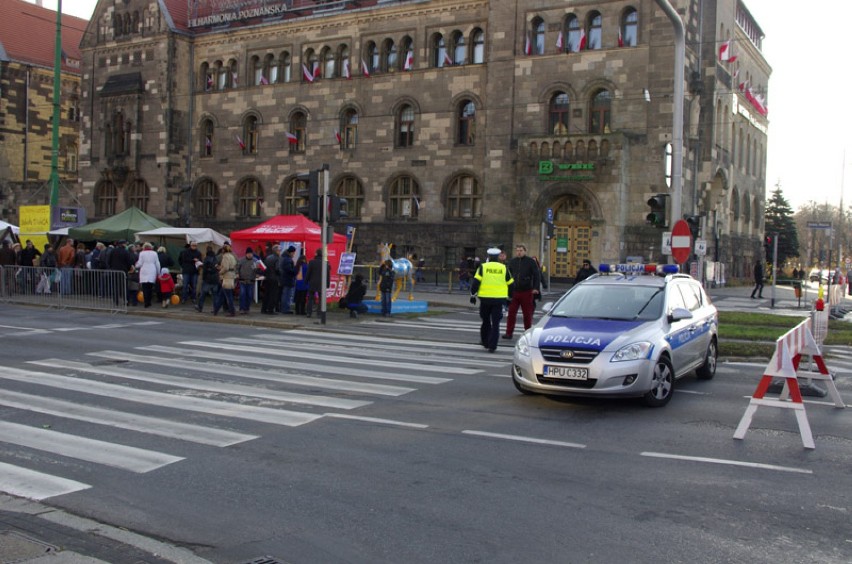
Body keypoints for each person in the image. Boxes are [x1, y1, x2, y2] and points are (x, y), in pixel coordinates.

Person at [471, 247, 514, 352]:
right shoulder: (504, 268)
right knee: (496, 323)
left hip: (485, 299)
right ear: (498, 257)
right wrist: (510, 297)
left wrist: (473, 295)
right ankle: (492, 345)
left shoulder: (483, 267)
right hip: (499, 299)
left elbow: (476, 282)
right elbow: (511, 284)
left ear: (489, 257)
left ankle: (485, 341)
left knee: (485, 321)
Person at [503, 243, 541, 340]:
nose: (519, 252)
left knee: (527, 314)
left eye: (521, 250)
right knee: (511, 313)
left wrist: (536, 288)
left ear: (525, 251)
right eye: (517, 250)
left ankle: (528, 333)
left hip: (526, 291)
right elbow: (507, 276)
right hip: (514, 291)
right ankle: (509, 333)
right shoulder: (512, 261)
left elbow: (537, 275)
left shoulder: (530, 262)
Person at [213, 241, 237, 317]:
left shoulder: (225, 257)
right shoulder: (232, 256)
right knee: (222, 295)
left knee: (228, 296)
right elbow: (232, 266)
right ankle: (216, 310)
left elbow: (226, 268)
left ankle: (232, 311)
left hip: (226, 278)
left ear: (223, 250)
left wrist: (220, 271)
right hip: (231, 277)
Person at [135, 242, 160, 308]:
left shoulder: (142, 253)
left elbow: (140, 263)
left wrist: (136, 265)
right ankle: (149, 302)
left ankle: (146, 302)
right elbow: (157, 263)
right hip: (152, 270)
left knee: (145, 288)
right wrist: (158, 272)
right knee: (150, 287)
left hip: (144, 270)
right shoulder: (154, 253)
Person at [305, 248, 329, 318]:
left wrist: (306, 281)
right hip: (322, 283)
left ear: (316, 254)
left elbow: (308, 272)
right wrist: (327, 284)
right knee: (321, 299)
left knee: (310, 298)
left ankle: (309, 313)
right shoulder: (325, 263)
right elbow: (327, 274)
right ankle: (319, 313)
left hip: (313, 282)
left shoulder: (312, 262)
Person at [196, 246, 220, 312]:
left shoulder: (206, 259)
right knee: (215, 295)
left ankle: (200, 307)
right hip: (215, 279)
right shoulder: (216, 259)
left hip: (208, 279)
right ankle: (216, 309)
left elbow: (205, 270)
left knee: (203, 294)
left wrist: (203, 278)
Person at [236, 247, 259, 314]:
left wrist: (257, 272)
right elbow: (237, 268)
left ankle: (247, 308)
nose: (249, 255)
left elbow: (257, 270)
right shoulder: (241, 260)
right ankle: (242, 308)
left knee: (249, 295)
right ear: (246, 254)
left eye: (251, 253)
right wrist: (237, 273)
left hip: (251, 280)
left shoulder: (255, 261)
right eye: (248, 253)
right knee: (242, 294)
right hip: (242, 280)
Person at [278, 245, 297, 314]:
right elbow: (289, 270)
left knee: (285, 294)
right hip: (287, 279)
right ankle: (285, 309)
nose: (294, 254)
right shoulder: (287, 259)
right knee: (286, 295)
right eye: (294, 253)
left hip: (284, 279)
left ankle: (284, 308)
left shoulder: (284, 258)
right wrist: (295, 270)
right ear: (291, 252)